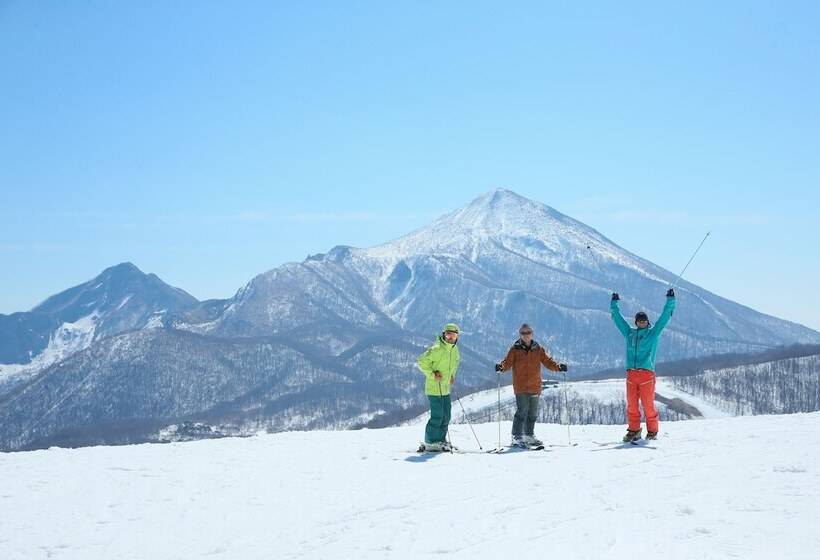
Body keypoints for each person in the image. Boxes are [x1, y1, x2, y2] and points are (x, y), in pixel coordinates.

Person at [610, 289, 677, 442]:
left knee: (648, 405)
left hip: (646, 374)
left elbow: (665, 317)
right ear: (636, 322)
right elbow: (617, 319)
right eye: (639, 321)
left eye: (644, 321)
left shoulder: (653, 333)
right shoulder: (629, 334)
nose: (642, 322)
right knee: (632, 406)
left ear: (647, 322)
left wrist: (670, 300)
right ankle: (634, 430)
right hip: (631, 375)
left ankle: (652, 431)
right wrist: (614, 304)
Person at [495, 324, 567, 448]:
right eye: (523, 333)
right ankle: (516, 436)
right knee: (522, 411)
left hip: (535, 385)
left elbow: (547, 361)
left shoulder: (538, 348)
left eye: (528, 332)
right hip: (521, 386)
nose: (526, 335)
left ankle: (528, 435)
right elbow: (507, 362)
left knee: (532, 413)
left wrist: (558, 367)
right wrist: (501, 367)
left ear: (532, 334)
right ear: (520, 335)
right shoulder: (515, 349)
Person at [416, 323, 461, 452]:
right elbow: (421, 361)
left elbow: (455, 363)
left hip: (445, 389)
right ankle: (430, 441)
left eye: (453, 335)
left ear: (457, 337)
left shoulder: (454, 349)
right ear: (443, 334)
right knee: (438, 416)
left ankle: (440, 440)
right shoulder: (437, 349)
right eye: (448, 334)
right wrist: (432, 374)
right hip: (434, 389)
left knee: (446, 415)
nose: (450, 337)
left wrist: (452, 375)